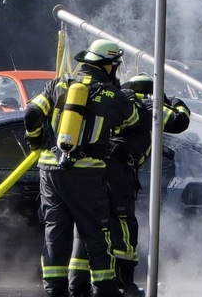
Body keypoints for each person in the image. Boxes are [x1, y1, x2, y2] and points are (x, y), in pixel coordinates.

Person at [25, 39, 142, 297]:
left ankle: (55, 290)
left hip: (49, 170)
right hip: (86, 173)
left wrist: (36, 141)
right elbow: (134, 120)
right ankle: (105, 289)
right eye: (115, 65)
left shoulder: (58, 85)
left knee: (54, 231)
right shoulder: (113, 96)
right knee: (97, 233)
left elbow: (31, 114)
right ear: (107, 66)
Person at [68, 73, 190, 297]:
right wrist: (173, 101)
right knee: (123, 227)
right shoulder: (147, 105)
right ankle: (124, 284)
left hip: (91, 171)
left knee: (87, 226)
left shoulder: (114, 101)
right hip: (117, 173)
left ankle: (78, 285)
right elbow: (180, 121)